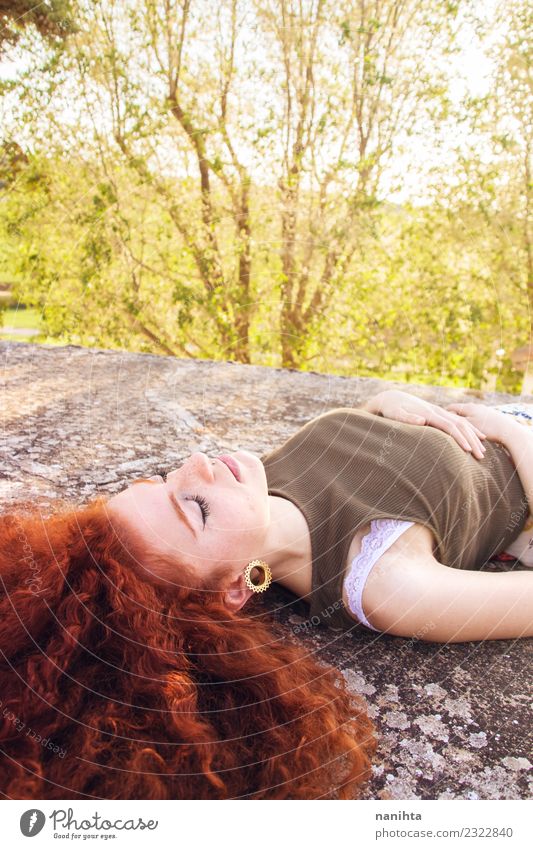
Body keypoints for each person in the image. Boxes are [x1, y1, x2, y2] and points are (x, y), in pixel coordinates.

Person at [107, 389, 533, 644]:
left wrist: (382, 403)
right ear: (234, 587)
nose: (198, 462)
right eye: (196, 509)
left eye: (165, 479)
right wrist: (512, 434)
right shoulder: (387, 587)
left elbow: (361, 460)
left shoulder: (257, 482)